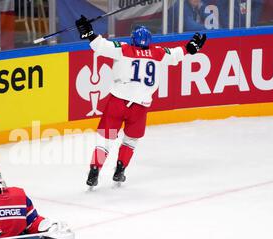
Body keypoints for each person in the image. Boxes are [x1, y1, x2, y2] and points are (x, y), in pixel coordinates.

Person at [75, 16, 206, 187]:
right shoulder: (159, 53)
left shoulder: (123, 49)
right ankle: (120, 170)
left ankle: (95, 169)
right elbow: (177, 54)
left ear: (132, 40)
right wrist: (191, 47)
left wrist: (88, 33)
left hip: (117, 102)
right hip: (140, 106)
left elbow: (100, 45)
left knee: (105, 140)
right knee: (130, 140)